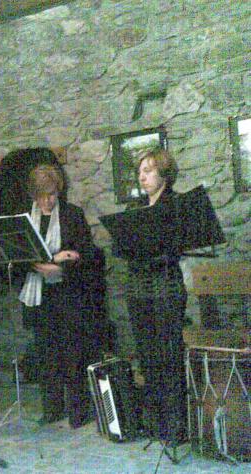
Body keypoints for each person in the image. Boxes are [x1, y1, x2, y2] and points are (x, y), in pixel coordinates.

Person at [19, 161, 95, 428]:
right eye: (42, 195)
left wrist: (61, 266)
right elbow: (20, 256)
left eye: (52, 194)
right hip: (40, 294)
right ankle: (52, 408)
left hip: (67, 293)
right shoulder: (26, 220)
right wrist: (53, 259)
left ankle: (78, 410)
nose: (48, 201)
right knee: (46, 354)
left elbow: (87, 256)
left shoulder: (72, 215)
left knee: (72, 353)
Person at [126, 148, 187, 446]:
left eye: (148, 171)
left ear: (164, 173)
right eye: (140, 171)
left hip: (165, 285)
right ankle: (155, 423)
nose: (142, 176)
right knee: (147, 355)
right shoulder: (136, 207)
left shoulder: (176, 203)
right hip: (139, 286)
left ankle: (175, 427)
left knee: (168, 355)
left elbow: (178, 246)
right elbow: (122, 248)